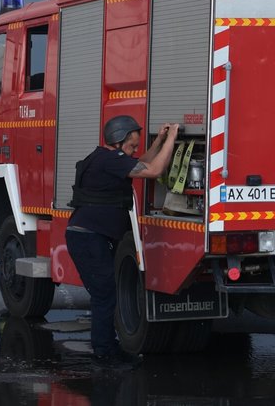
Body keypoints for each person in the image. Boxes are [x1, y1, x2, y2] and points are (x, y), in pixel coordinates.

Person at [65, 116, 179, 366]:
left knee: (105, 293)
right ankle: (105, 353)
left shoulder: (107, 158)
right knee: (104, 293)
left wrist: (159, 140)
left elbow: (138, 164)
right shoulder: (109, 159)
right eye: (130, 146)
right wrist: (172, 139)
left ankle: (107, 348)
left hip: (88, 235)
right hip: (88, 237)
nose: (133, 151)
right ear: (118, 141)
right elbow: (154, 170)